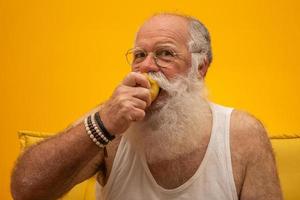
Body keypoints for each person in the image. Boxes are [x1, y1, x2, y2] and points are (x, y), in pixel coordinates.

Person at [11, 13, 283, 200]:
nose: (147, 67)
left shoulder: (242, 134)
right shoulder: (108, 127)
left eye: (165, 53)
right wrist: (103, 124)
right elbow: (25, 190)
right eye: (139, 55)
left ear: (200, 67)